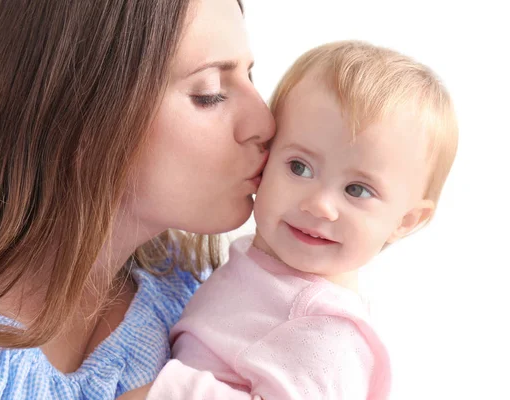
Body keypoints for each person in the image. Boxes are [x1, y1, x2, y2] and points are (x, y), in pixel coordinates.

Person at [0, 0, 275, 398]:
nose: (265, 122)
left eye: (250, 75)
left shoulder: (190, 302)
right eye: (210, 93)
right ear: (78, 113)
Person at [126, 41, 458, 399]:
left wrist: (166, 393)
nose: (319, 205)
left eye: (357, 190)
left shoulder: (325, 332)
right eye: (299, 167)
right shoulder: (265, 274)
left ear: (406, 221)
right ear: (265, 156)